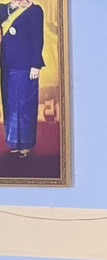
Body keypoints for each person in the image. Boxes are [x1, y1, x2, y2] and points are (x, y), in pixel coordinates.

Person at [1, 0, 43, 158]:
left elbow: (38, 38)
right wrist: (11, 6)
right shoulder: (7, 9)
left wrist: (36, 64)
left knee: (25, 106)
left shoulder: (35, 11)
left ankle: (25, 144)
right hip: (7, 65)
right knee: (10, 105)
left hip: (25, 66)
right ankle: (13, 142)